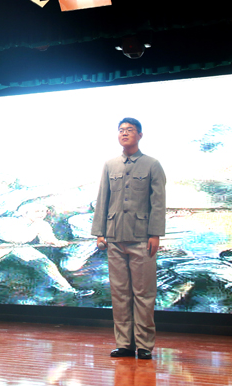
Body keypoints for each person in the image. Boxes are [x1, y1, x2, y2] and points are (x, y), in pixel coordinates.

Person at [91, 117, 166, 360]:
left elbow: (158, 203)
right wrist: (100, 232)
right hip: (114, 237)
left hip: (142, 238)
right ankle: (124, 344)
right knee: (120, 293)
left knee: (144, 293)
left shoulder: (152, 165)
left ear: (140, 135)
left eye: (130, 130)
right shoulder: (110, 165)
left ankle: (144, 345)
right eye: (121, 130)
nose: (124, 133)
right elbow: (103, 199)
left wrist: (155, 234)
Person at [0, 203, 91, 296]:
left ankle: (68, 289)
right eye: (37, 211)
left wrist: (56, 242)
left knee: (46, 264)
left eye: (43, 211)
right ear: (25, 213)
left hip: (22, 247)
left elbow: (47, 239)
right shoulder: (6, 221)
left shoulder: (42, 224)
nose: (41, 214)